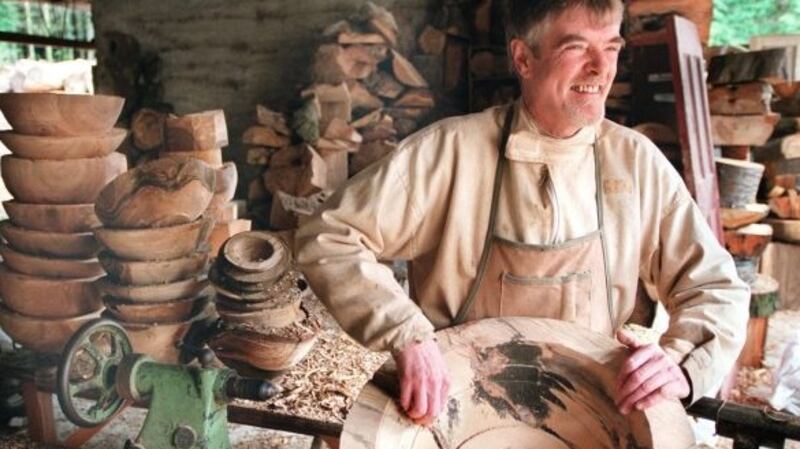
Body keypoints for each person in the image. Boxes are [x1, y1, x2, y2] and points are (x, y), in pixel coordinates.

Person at [296, 0, 749, 426]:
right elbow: (330, 235)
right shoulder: (450, 151)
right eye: (577, 48)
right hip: (455, 405)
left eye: (610, 47)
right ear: (524, 59)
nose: (601, 69)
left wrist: (681, 361)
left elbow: (714, 287)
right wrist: (406, 334)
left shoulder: (635, 162)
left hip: (592, 412)